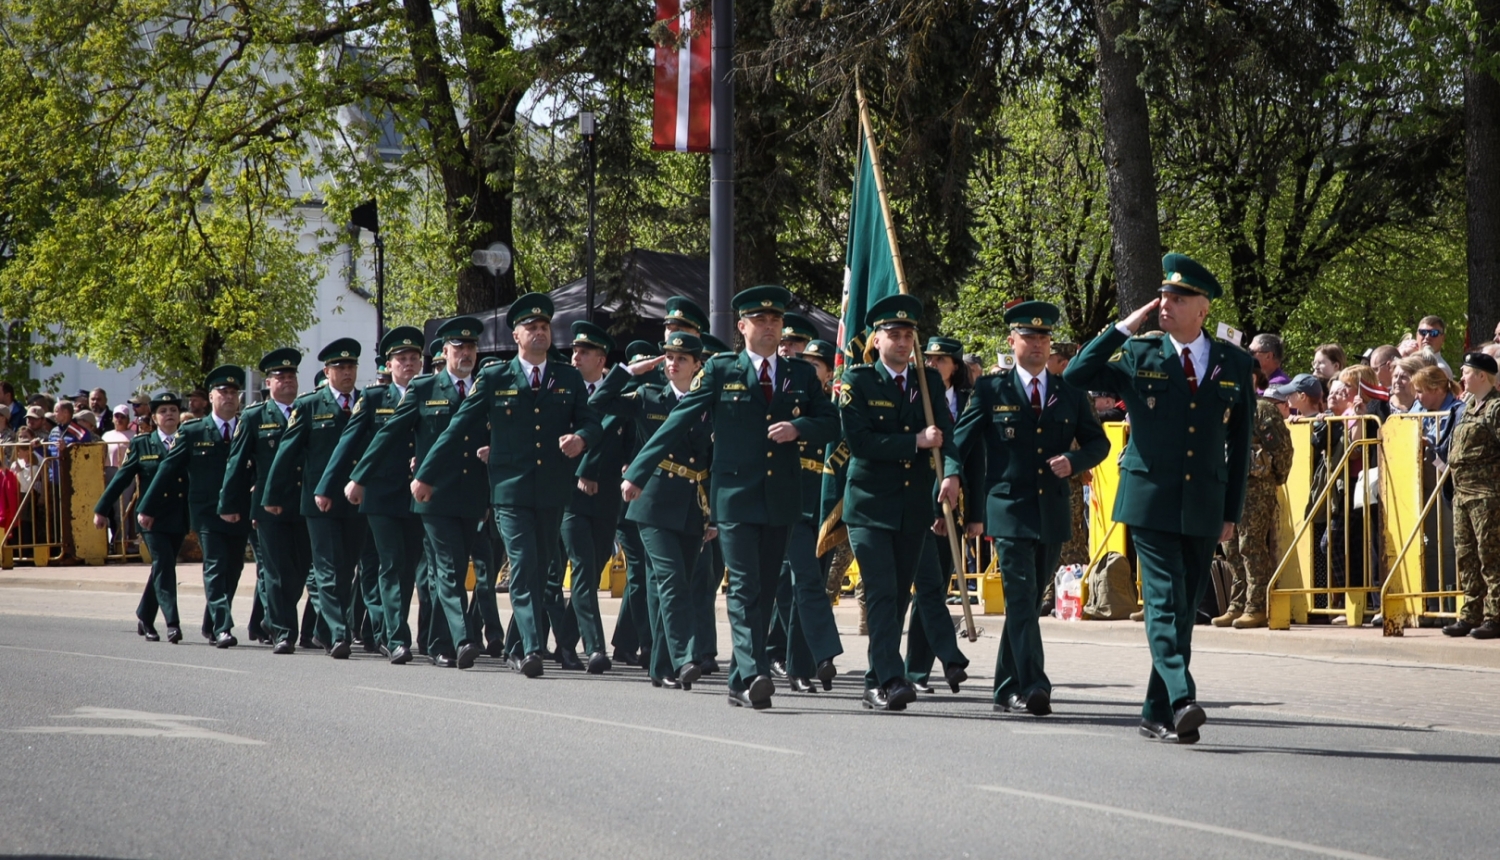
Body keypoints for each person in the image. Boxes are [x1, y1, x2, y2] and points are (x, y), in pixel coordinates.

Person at [1065, 253, 1254, 744]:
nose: (1165, 304)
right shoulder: (1139, 353)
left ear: (1203, 308)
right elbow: (1076, 375)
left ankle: (1155, 712)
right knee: (1165, 601)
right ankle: (1182, 696)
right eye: (1164, 296)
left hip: (1204, 502)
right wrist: (1121, 328)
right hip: (1149, 497)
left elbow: (1241, 446)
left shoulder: (1234, 362)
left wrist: (1230, 512)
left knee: (1186, 607)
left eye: (1178, 298)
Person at [621, 285, 839, 710]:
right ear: (742, 327)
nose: (770, 327)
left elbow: (832, 423)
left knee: (764, 591)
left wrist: (801, 429)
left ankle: (741, 681)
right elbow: (678, 421)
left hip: (780, 498)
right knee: (743, 586)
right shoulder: (722, 369)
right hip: (735, 497)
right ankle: (755, 671)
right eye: (760, 320)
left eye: (775, 320)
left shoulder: (799, 375)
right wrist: (640, 472)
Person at [415, 299, 602, 677]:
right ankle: (532, 648)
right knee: (523, 565)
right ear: (515, 335)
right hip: (510, 492)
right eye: (530, 327)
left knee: (542, 566)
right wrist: (426, 475)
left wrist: (581, 438)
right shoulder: (497, 377)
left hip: (551, 491)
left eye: (545, 327)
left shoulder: (566, 378)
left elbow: (591, 421)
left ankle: (517, 645)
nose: (539, 332)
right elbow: (459, 427)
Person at [953, 301, 1109, 715]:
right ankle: (1035, 686)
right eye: (1029, 337)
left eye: (1043, 338)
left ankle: (1005, 687)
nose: (1037, 345)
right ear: (1012, 341)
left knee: (1027, 602)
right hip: (1008, 510)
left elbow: (1099, 442)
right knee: (1021, 600)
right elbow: (960, 442)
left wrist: (1074, 461)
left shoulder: (1069, 393)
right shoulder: (991, 389)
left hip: (1052, 512)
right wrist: (951, 475)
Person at [839, 294, 961, 712]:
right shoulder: (859, 382)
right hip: (870, 505)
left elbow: (948, 436)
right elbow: (861, 443)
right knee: (880, 593)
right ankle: (891, 678)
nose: (904, 341)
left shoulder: (926, 383)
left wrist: (951, 473)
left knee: (899, 593)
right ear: (877, 338)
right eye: (894, 333)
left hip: (912, 507)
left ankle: (878, 680)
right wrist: (915, 442)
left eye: (909, 334)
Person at [593, 332, 715, 687]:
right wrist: (628, 371)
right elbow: (601, 401)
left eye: (682, 358)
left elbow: (714, 460)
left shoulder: (708, 402)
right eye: (669, 356)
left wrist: (715, 515)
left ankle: (660, 667)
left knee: (678, 585)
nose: (673, 363)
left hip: (694, 505)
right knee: (672, 580)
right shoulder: (648, 396)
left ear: (697, 365)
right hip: (653, 503)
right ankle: (685, 656)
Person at [264, 339, 367, 659]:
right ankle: (339, 633)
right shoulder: (310, 405)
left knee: (348, 568)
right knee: (327, 569)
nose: (347, 372)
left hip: (356, 500)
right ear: (327, 371)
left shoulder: (366, 401)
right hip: (319, 501)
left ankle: (323, 629)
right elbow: (287, 452)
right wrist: (273, 494)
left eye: (351, 367)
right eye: (340, 367)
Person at [137, 367, 251, 648]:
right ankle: (224, 626)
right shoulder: (193, 430)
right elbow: (167, 468)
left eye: (233, 392)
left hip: (240, 509)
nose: (229, 397)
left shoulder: (247, 426)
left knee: (234, 568)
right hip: (207, 512)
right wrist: (147, 506)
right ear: (211, 397)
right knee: (215, 565)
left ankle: (211, 622)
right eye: (223, 392)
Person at [219, 348, 315, 654]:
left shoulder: (309, 409)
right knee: (274, 571)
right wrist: (229, 504)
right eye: (280, 377)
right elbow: (236, 463)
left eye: (291, 376)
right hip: (268, 505)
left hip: (303, 503)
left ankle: (275, 620)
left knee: (300, 570)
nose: (287, 381)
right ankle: (284, 631)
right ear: (269, 383)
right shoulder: (254, 416)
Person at [903, 335, 976, 695]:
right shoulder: (916, 398)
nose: (931, 365)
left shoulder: (968, 402)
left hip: (955, 513)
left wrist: (974, 514)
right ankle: (926, 666)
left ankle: (917, 670)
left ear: (955, 366)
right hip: (921, 508)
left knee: (934, 590)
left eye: (940, 360)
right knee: (926, 588)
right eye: (928, 359)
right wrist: (934, 508)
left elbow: (974, 462)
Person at [555, 321, 626, 674]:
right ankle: (595, 647)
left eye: (584, 352)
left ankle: (564, 644)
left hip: (608, 497)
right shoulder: (564, 392)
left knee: (592, 569)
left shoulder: (618, 397)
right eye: (574, 351)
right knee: (582, 567)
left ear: (601, 359)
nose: (575, 357)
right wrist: (581, 470)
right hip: (569, 497)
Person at [93, 393, 186, 643]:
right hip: (150, 517)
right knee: (165, 563)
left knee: (162, 566)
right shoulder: (143, 443)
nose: (169, 414)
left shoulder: (186, 440)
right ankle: (173, 622)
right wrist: (101, 509)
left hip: (178, 516)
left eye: (173, 410)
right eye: (163, 410)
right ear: (154, 417)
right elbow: (122, 477)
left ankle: (145, 615)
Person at [1214, 375, 1294, 629]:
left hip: (1255, 487)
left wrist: (1275, 477)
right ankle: (1237, 604)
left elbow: (1281, 449)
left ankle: (1256, 606)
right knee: (1230, 547)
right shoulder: (1219, 409)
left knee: (1251, 545)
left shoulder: (1261, 409)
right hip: (1226, 486)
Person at [1443, 352, 1500, 638]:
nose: (1461, 377)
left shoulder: (1495, 408)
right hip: (1463, 495)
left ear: (1481, 375)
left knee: (1490, 555)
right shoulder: (1466, 408)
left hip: (1488, 495)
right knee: (1465, 556)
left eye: (1465, 372)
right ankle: (1471, 613)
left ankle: (1495, 614)